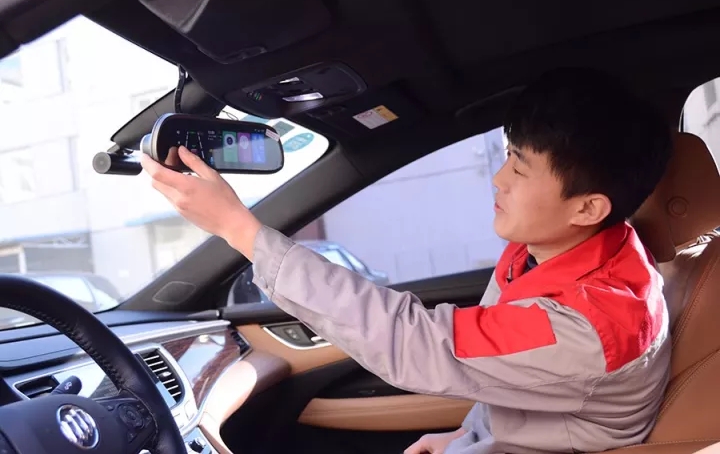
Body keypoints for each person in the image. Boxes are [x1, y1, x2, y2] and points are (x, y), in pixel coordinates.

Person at [140, 67, 673, 454]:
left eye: (520, 168)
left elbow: (419, 344)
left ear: (587, 208)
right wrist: (463, 436)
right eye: (508, 156)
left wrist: (239, 229)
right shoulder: (563, 248)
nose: (498, 178)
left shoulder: (591, 325)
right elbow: (513, 376)